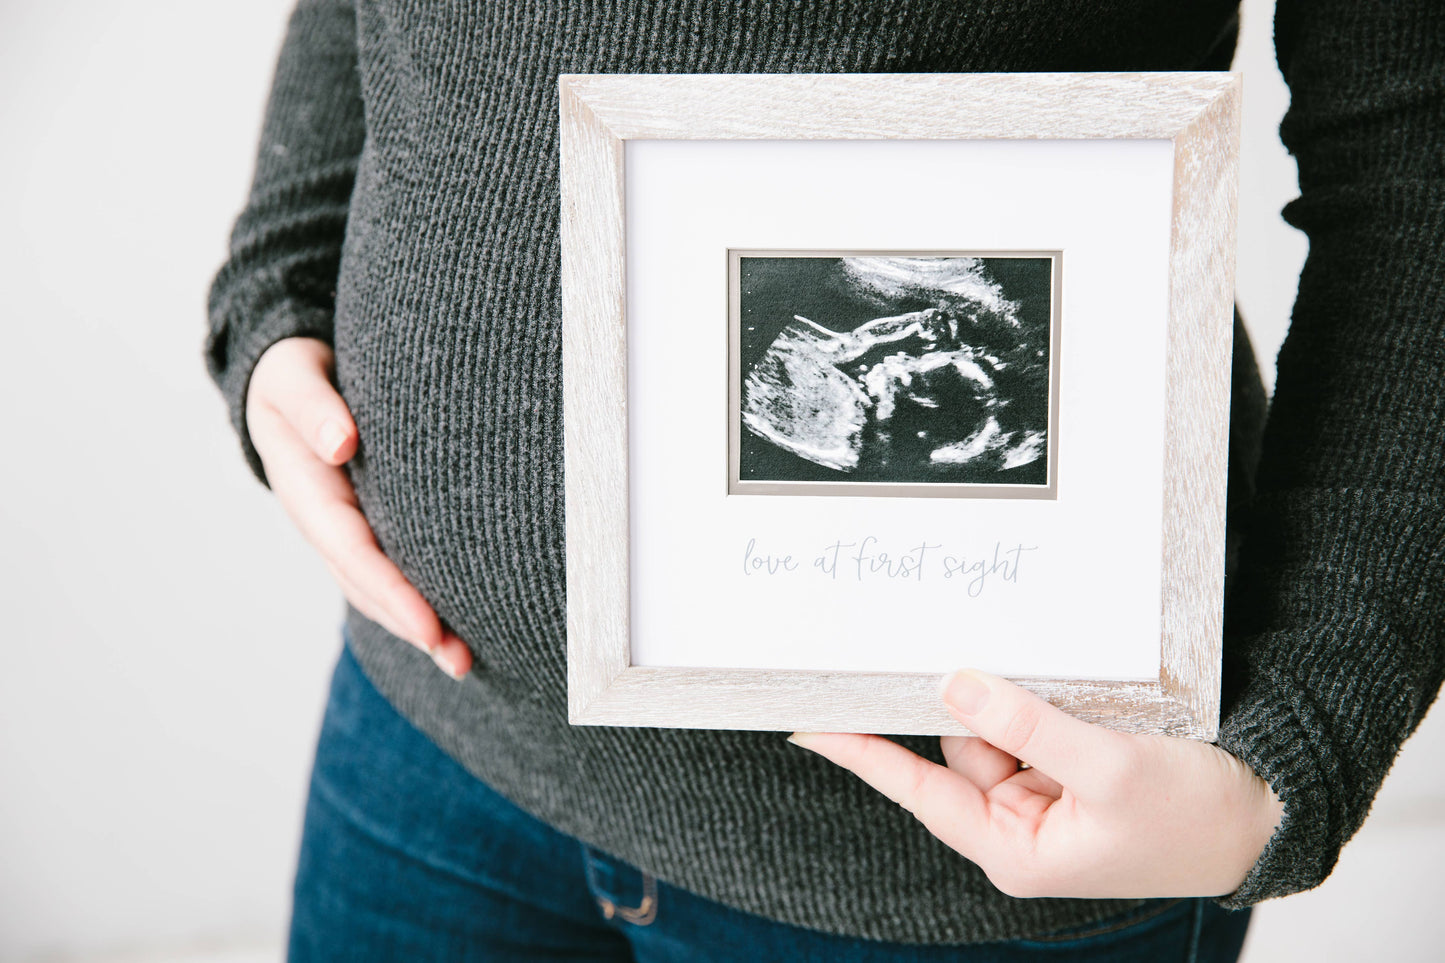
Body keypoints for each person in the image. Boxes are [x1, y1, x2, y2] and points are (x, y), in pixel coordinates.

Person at [208, 1, 1444, 959]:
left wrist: (1289, 756)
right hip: (432, 736)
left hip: (969, 862)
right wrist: (284, 260)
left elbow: (1412, 178)